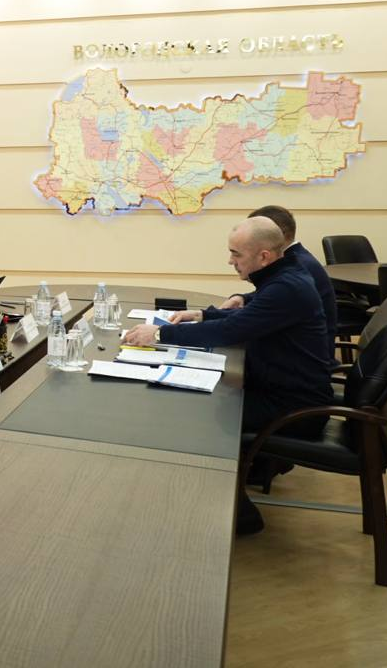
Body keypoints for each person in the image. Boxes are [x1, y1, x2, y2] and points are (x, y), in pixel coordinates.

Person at [121, 216, 333, 535]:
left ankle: (239, 512)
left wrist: (160, 334)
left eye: (236, 254)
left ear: (264, 256)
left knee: (200, 415)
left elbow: (233, 329)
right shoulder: (285, 276)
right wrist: (202, 314)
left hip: (294, 408)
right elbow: (248, 314)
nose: (230, 261)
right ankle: (234, 483)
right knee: (205, 399)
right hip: (283, 391)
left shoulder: (287, 287)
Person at [218, 205, 338, 361]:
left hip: (300, 360)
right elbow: (271, 294)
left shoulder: (299, 265)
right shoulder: (295, 260)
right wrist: (244, 298)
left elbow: (276, 297)